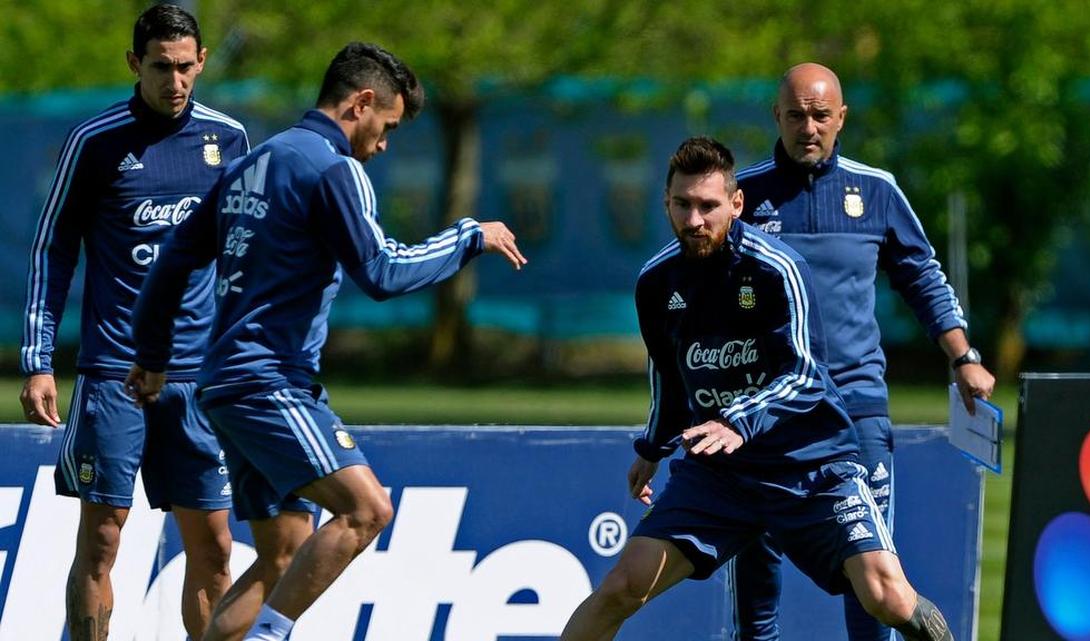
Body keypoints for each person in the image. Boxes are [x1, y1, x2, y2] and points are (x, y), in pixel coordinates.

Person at [126, 42, 527, 641]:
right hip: (269, 381)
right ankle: (271, 636)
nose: (384, 144)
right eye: (386, 126)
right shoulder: (333, 168)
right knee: (367, 509)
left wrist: (153, 357)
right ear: (361, 102)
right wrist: (470, 236)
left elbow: (172, 262)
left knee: (283, 555)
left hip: (224, 386)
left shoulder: (255, 161)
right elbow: (383, 272)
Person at [559, 136, 953, 641]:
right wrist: (652, 447)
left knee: (886, 598)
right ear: (666, 203)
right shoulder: (656, 281)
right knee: (620, 587)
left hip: (810, 467)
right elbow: (670, 375)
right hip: (720, 478)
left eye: (708, 206)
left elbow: (808, 373)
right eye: (683, 205)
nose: (694, 220)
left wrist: (736, 421)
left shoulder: (778, 268)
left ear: (737, 203)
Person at [730, 63, 996, 640]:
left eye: (821, 115)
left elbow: (922, 277)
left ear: (841, 117)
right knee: (758, 560)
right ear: (776, 115)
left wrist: (964, 356)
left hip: (855, 406)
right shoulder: (740, 198)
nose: (809, 126)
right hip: (767, 408)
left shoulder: (876, 190)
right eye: (797, 114)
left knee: (871, 561)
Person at [17, 5, 247, 640]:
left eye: (185, 67)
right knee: (102, 540)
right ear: (134, 64)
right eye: (160, 67)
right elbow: (51, 248)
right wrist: (38, 360)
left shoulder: (228, 140)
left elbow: (241, 253)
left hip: (197, 376)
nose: (175, 82)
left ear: (202, 62)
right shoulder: (95, 142)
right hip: (115, 371)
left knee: (217, 546)